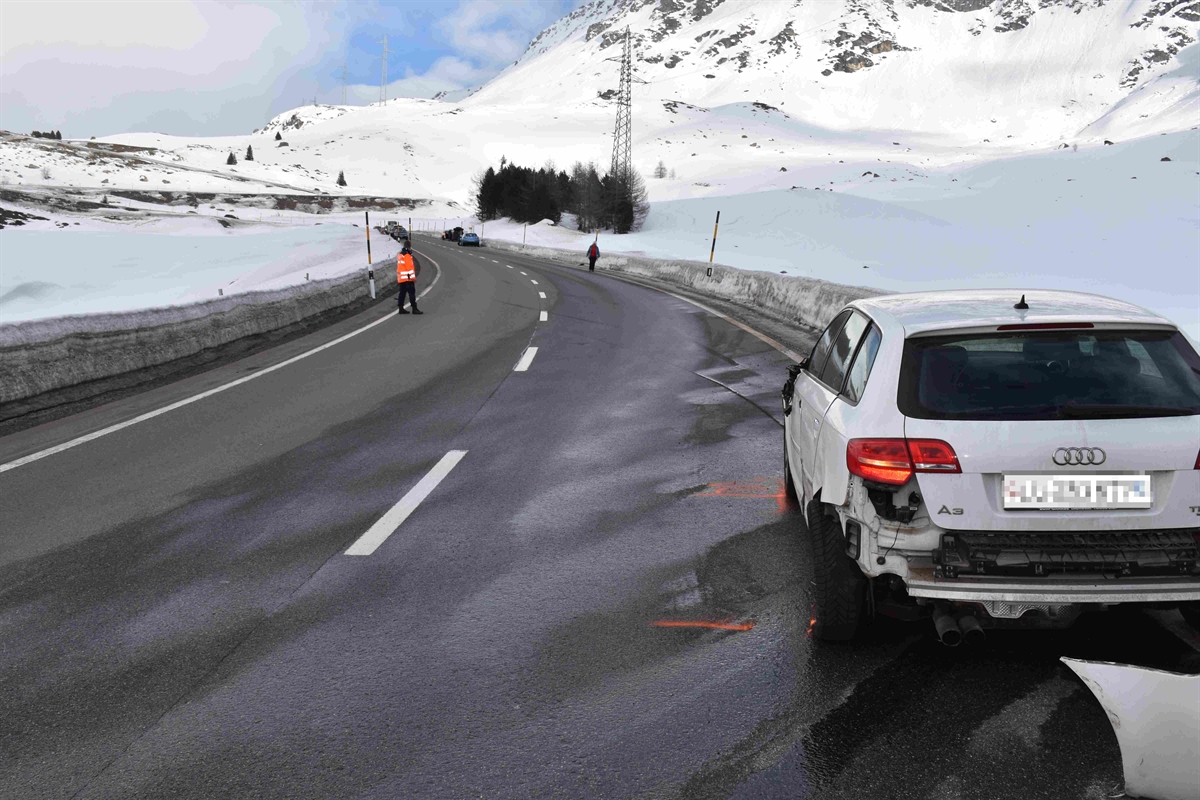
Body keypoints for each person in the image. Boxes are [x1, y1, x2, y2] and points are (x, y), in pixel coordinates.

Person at [396, 243, 423, 315]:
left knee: (402, 293)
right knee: (411, 293)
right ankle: (414, 308)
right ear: (409, 247)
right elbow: (409, 268)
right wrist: (413, 278)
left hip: (402, 279)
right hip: (408, 279)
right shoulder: (407, 255)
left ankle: (401, 308)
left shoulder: (400, 255)